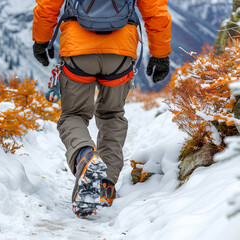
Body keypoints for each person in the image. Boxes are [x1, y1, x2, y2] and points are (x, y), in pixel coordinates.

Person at [32, 0, 171, 217]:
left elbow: (47, 5)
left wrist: (41, 40)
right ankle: (105, 185)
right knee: (112, 115)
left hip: (78, 51)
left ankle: (85, 156)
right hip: (121, 50)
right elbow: (156, 11)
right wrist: (160, 54)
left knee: (73, 115)